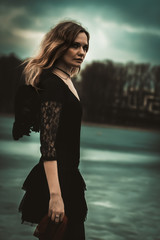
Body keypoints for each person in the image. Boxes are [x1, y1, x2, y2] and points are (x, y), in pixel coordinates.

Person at [16, 20, 90, 240]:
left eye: (85, 47)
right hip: (57, 182)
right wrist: (56, 196)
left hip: (69, 177)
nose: (81, 52)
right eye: (75, 45)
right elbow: (48, 145)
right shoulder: (53, 85)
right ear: (59, 45)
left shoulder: (66, 81)